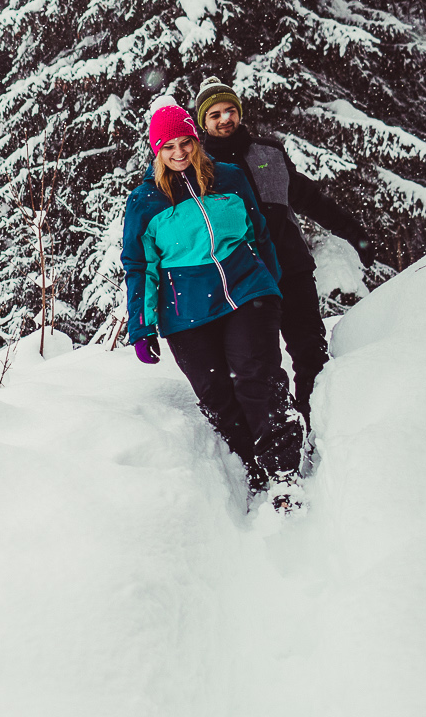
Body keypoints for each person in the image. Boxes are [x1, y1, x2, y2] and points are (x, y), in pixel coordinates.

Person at [123, 98, 301, 492]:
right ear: (157, 152)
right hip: (185, 310)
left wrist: (269, 281)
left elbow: (258, 232)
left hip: (245, 290)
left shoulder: (230, 177)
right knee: (216, 394)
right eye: (168, 147)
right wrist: (142, 325)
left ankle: (284, 473)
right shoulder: (144, 201)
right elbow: (140, 267)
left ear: (196, 139)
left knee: (256, 378)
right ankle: (251, 469)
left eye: (184, 142)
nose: (179, 152)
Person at [191, 78, 374, 424]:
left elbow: (309, 198)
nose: (224, 119)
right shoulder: (198, 167)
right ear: (203, 122)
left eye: (230, 110)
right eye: (214, 114)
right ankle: (279, 431)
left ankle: (319, 425)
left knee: (310, 353)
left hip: (291, 269)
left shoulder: (269, 153)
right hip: (244, 281)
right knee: (257, 365)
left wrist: (354, 233)